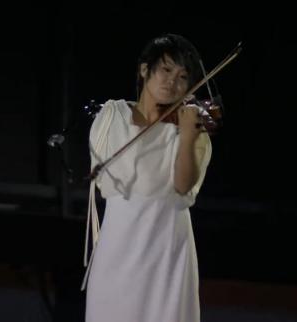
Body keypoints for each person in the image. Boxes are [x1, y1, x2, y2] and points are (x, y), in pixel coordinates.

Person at [82, 34, 213, 322]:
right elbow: (108, 180)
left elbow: (181, 188)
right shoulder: (112, 115)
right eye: (166, 70)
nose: (172, 82)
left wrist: (188, 136)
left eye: (182, 76)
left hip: (168, 252)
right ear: (144, 70)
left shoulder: (191, 130)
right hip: (119, 246)